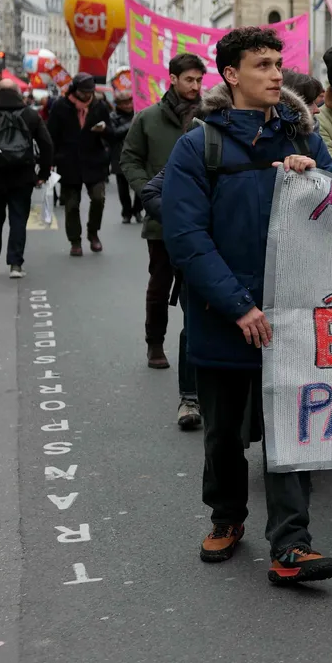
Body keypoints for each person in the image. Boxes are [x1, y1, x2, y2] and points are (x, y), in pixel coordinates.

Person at [162, 26, 332, 585]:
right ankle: (226, 516)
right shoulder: (198, 146)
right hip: (224, 318)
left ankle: (292, 544)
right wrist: (239, 306)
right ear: (231, 75)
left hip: (291, 315)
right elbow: (187, 237)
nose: (275, 75)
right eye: (261, 65)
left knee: (289, 429)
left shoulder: (302, 139)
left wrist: (318, 183)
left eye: (278, 64)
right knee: (222, 434)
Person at [120, 53, 207, 428]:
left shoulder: (208, 118)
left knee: (195, 291)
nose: (195, 87)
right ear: (172, 79)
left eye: (199, 81)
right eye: (189, 80)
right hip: (160, 222)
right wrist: (146, 194)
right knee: (159, 285)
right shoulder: (148, 119)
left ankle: (193, 358)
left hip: (196, 223)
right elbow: (129, 160)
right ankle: (154, 342)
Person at [0, 78, 53, 278]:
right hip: (22, 176)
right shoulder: (31, 115)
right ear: (18, 93)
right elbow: (46, 145)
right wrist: (42, 174)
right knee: (18, 218)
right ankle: (16, 264)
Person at [47, 73, 113, 256]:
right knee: (72, 204)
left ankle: (93, 233)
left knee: (98, 198)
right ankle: (75, 241)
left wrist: (104, 130)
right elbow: (51, 135)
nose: (87, 96)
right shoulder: (61, 106)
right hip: (69, 162)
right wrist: (51, 160)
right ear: (75, 90)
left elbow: (111, 133)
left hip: (94, 160)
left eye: (90, 92)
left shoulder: (99, 106)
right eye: (84, 92)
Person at [107, 88, 142, 224]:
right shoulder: (113, 117)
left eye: (129, 102)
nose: (128, 105)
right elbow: (114, 133)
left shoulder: (139, 114)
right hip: (120, 156)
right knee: (123, 189)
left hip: (138, 155)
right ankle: (126, 212)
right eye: (124, 103)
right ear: (118, 105)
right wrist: (131, 123)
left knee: (140, 186)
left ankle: (138, 210)